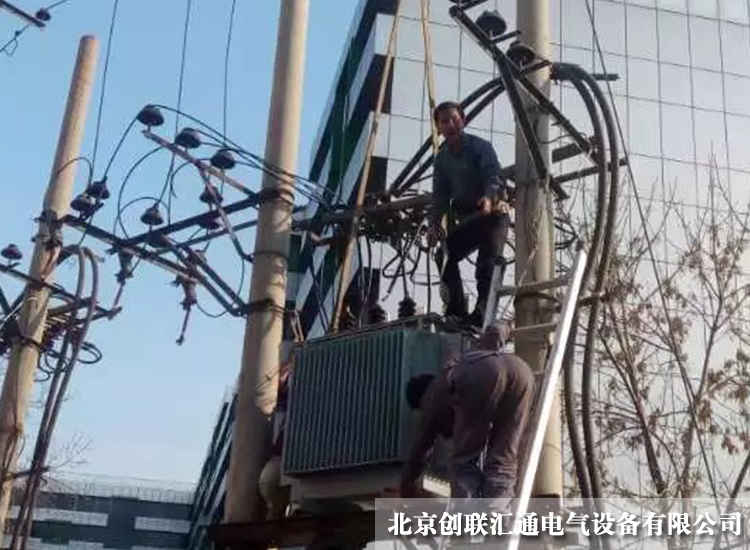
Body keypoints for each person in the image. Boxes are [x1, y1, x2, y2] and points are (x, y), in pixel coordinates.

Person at [400, 323, 535, 500]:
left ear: (421, 400)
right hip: (521, 372)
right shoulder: (468, 357)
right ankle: (498, 509)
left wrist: (406, 486)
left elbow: (420, 451)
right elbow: (494, 331)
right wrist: (506, 328)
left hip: (480, 378)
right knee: (503, 459)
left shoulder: (431, 398)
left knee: (463, 463)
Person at [429, 101, 511, 329]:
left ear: (462, 121)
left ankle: (483, 315)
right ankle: (456, 312)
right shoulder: (442, 160)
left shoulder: (480, 147)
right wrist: (434, 224)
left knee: (487, 264)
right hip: (470, 220)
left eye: (454, 119)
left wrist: (489, 197)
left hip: (493, 215)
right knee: (444, 255)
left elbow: (493, 175)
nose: (450, 125)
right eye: (444, 121)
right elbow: (439, 197)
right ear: (439, 127)